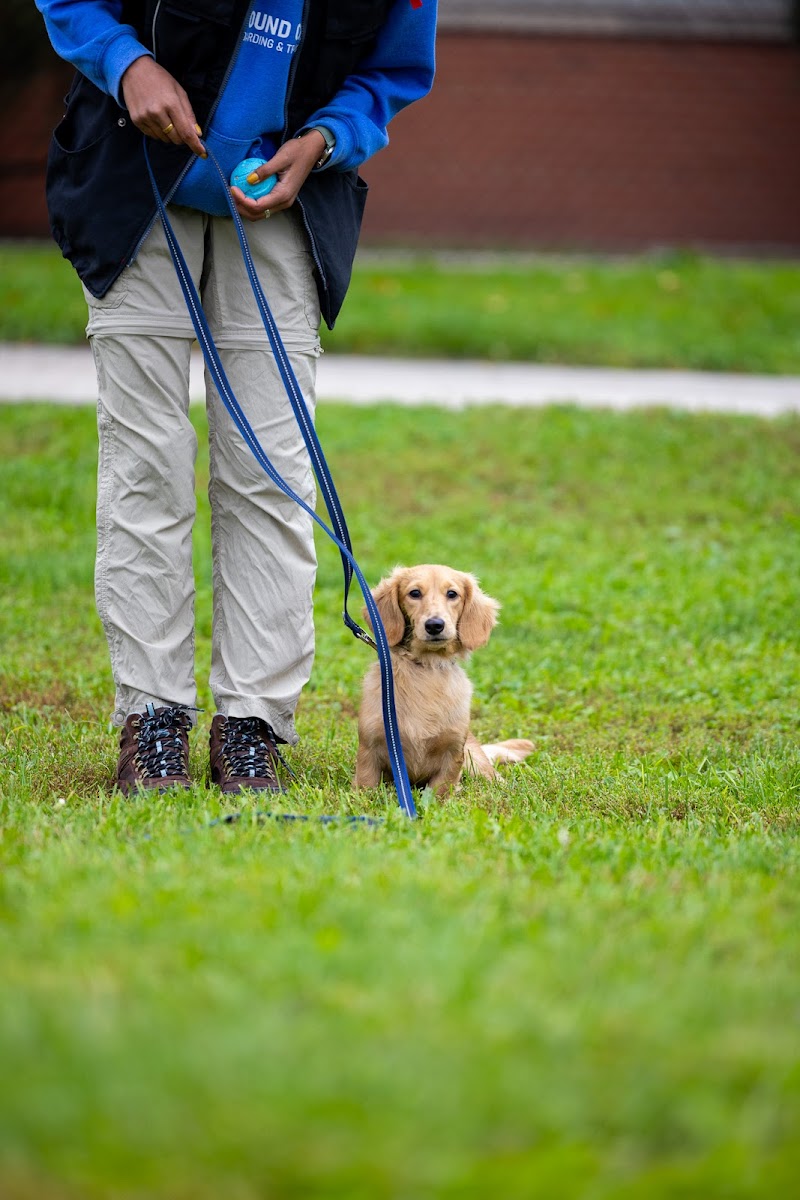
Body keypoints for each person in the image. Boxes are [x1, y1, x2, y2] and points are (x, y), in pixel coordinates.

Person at [35, 0, 437, 796]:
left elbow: (391, 72)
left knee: (272, 472)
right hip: (134, 185)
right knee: (146, 464)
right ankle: (152, 717)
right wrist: (127, 63)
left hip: (284, 206)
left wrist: (325, 140)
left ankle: (253, 724)